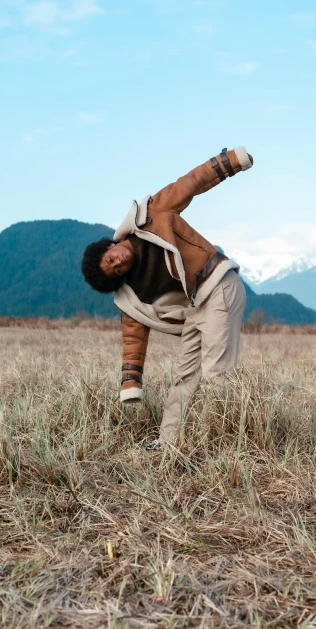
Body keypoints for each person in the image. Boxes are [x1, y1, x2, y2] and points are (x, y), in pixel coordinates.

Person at [81, 146, 254, 449]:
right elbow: (133, 339)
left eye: (111, 259)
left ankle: (231, 445)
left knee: (217, 372)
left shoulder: (151, 215)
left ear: (109, 246)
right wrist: (131, 383)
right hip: (197, 305)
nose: (117, 263)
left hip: (219, 284)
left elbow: (190, 182)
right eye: (113, 270)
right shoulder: (132, 295)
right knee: (184, 377)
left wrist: (230, 162)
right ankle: (169, 441)